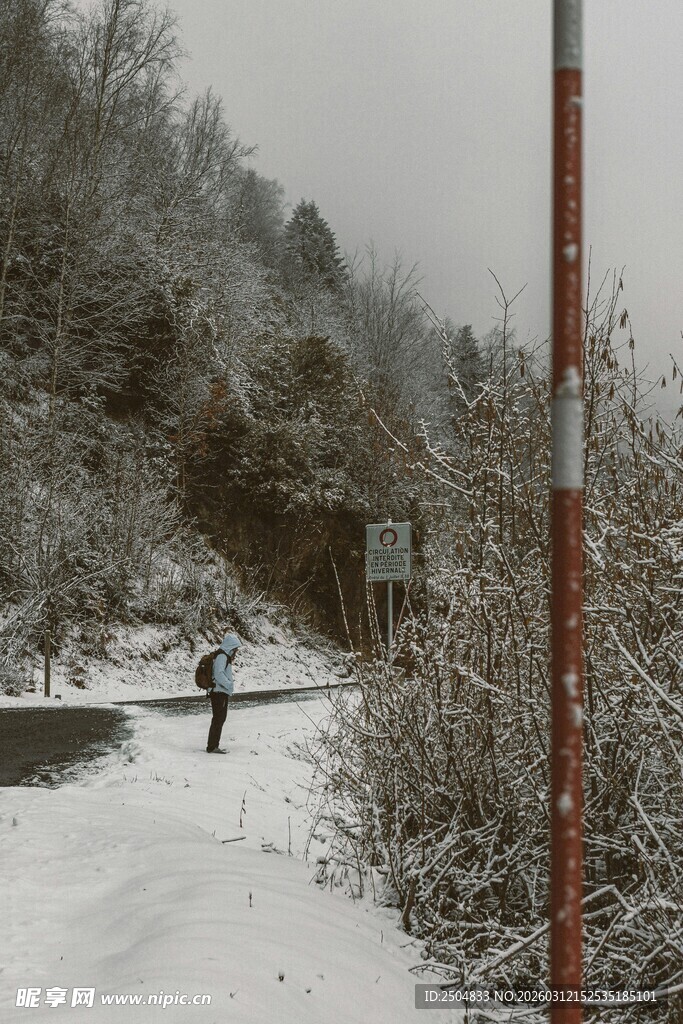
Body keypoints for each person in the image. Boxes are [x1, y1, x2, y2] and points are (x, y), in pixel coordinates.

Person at [207, 633, 241, 753]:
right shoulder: (222, 656)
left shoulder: (222, 655)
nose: (236, 651)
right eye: (235, 648)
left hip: (220, 691)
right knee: (218, 718)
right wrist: (229, 684)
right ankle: (212, 746)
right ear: (230, 646)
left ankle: (213, 745)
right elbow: (219, 674)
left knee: (219, 718)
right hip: (219, 692)